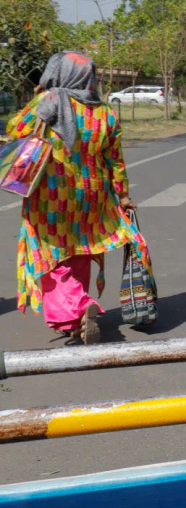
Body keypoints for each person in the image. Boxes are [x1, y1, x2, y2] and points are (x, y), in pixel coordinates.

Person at [7, 51, 148, 343]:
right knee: (80, 251)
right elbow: (116, 162)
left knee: (49, 256)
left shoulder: (49, 101)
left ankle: (79, 307)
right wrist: (122, 197)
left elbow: (14, 131)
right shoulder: (104, 112)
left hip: (51, 196)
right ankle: (75, 320)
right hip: (92, 196)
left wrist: (37, 99)